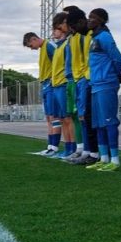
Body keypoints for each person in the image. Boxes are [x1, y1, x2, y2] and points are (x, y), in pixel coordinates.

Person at [86, 8, 121, 171]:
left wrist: (113, 76)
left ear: (101, 20)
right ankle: (104, 158)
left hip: (106, 84)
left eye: (92, 18)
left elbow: (118, 59)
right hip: (95, 85)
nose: (89, 20)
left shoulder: (104, 37)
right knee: (99, 124)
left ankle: (115, 160)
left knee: (109, 122)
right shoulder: (93, 38)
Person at [65, 7, 99, 165]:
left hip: (87, 78)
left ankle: (94, 152)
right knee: (81, 117)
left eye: (71, 24)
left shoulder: (91, 34)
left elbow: (90, 58)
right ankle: (86, 150)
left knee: (87, 117)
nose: (70, 28)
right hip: (79, 79)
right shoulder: (75, 37)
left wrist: (86, 76)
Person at [23, 30, 61, 155]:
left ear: (34, 39)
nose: (31, 48)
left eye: (30, 45)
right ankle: (50, 146)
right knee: (49, 117)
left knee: (54, 117)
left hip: (51, 84)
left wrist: (54, 80)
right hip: (45, 85)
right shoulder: (43, 49)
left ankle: (55, 147)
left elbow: (60, 61)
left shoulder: (49, 46)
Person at [48, 13, 77, 159]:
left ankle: (73, 147)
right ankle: (67, 147)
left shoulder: (67, 44)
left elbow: (69, 65)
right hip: (56, 85)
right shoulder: (58, 47)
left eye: (56, 29)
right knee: (61, 118)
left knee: (68, 118)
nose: (54, 32)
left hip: (64, 85)